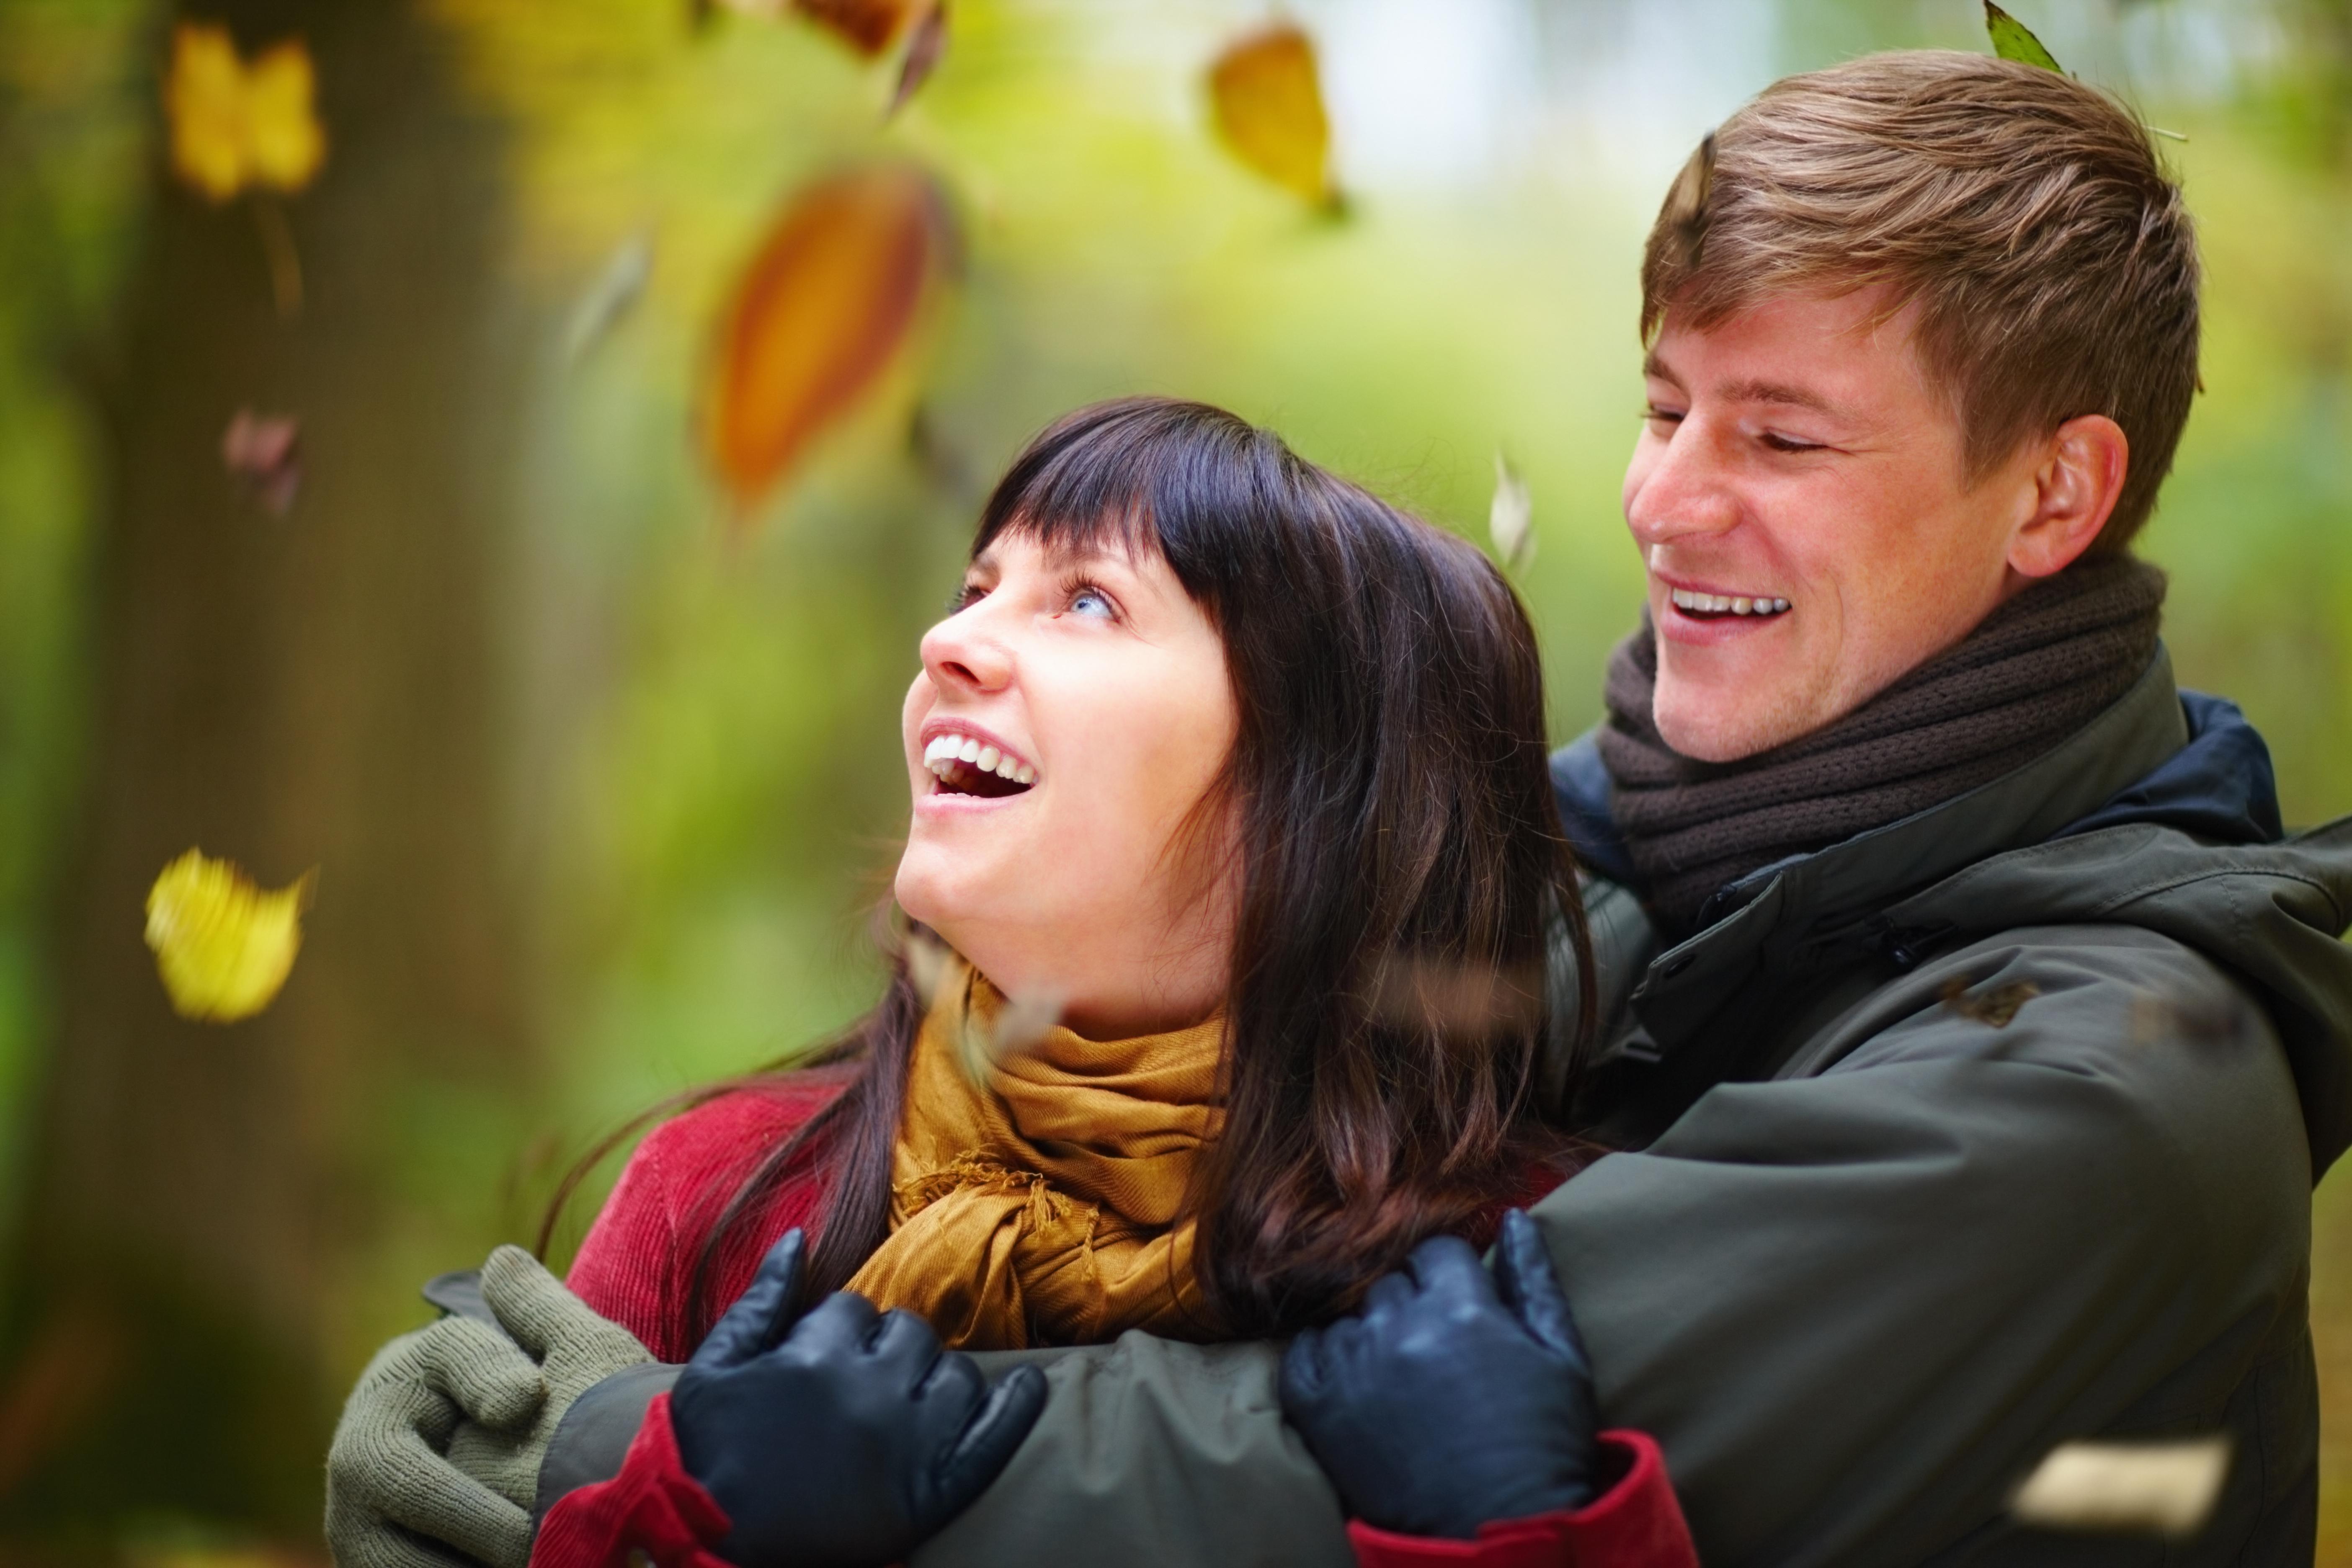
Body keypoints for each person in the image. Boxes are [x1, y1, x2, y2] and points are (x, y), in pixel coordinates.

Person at [328, 48, 2352, 1567]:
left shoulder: (2100, 1084)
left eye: (1782, 433)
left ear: (2056, 496)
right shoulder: (1606, 898)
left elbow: (1318, 1464)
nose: (1659, 500)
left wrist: (627, 1469)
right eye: (1660, 407)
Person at [325, 397, 1699, 1568]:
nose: (951, 642)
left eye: (1088, 601)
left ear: (1317, 797)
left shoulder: (1531, 1256)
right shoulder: (723, 1192)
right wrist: (680, 1522)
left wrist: (1523, 1534)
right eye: (978, 588)